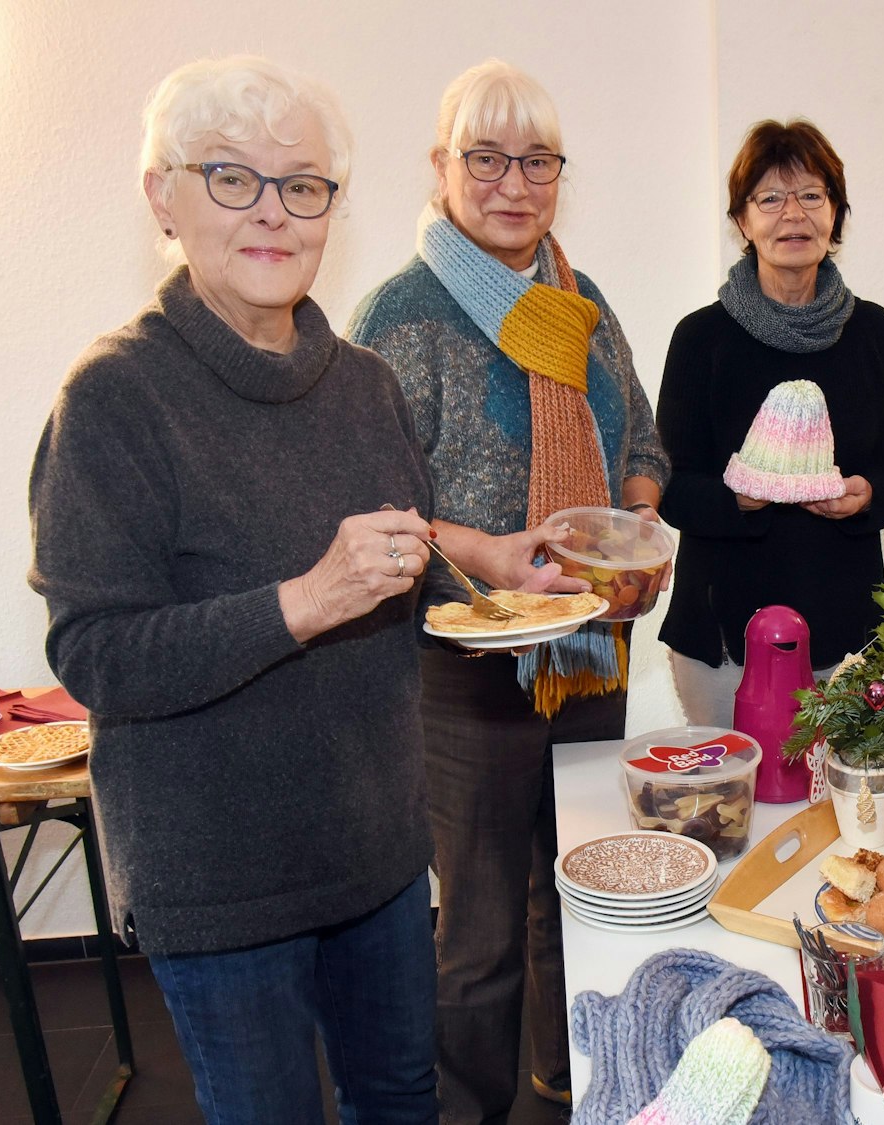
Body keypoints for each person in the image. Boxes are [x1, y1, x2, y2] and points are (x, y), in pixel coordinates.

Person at [29, 56, 448, 1122]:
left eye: (302, 184)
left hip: (380, 848)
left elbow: (403, 576)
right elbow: (97, 655)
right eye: (231, 177)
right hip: (222, 879)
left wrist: (508, 585)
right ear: (161, 196)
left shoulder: (366, 384)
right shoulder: (115, 397)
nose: (272, 212)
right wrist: (302, 600)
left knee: (401, 1100)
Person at [347, 59, 670, 1123]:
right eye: (483, 158)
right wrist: (479, 553)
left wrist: (635, 520)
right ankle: (470, 1107)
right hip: (466, 670)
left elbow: (642, 435)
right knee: (478, 930)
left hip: (589, 649)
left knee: (575, 888)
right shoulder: (401, 311)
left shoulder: (578, 299)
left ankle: (569, 1080)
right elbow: (368, 504)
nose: (510, 183)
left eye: (534, 160)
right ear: (440, 170)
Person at [657, 119, 884, 723]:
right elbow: (672, 483)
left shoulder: (875, 331)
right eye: (769, 198)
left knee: (841, 802)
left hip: (847, 626)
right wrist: (738, 500)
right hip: (723, 632)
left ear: (837, 215)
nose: (792, 214)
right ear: (743, 222)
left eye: (811, 196)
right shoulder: (701, 338)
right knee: (735, 803)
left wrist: (867, 494)